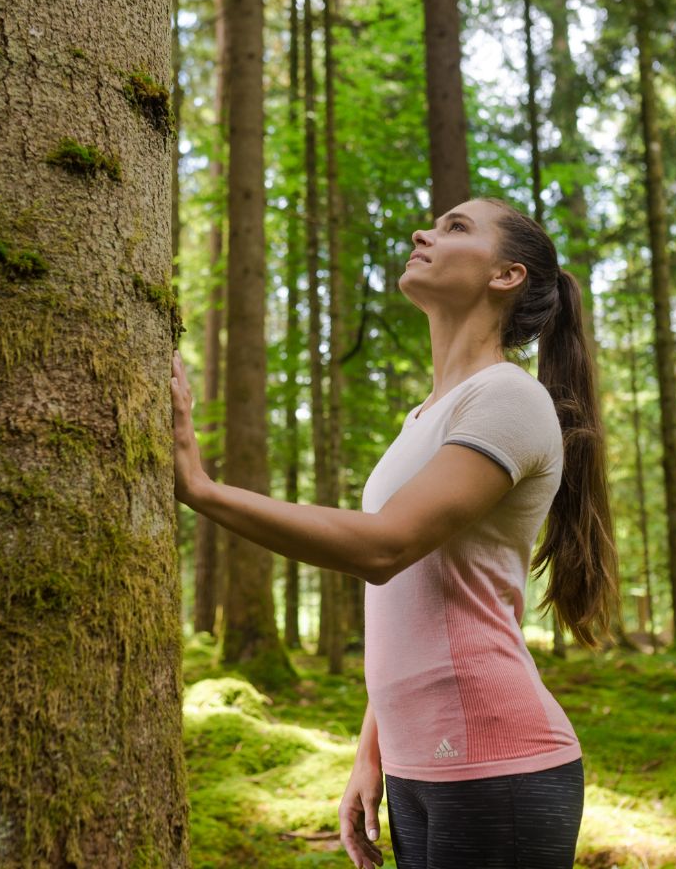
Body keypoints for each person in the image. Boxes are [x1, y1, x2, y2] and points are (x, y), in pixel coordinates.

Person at [170, 196, 620, 869]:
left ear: (507, 276)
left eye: (456, 227)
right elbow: (414, 603)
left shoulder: (508, 398)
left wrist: (201, 490)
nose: (424, 232)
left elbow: (384, 547)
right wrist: (369, 755)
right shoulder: (427, 417)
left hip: (497, 766)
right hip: (421, 766)